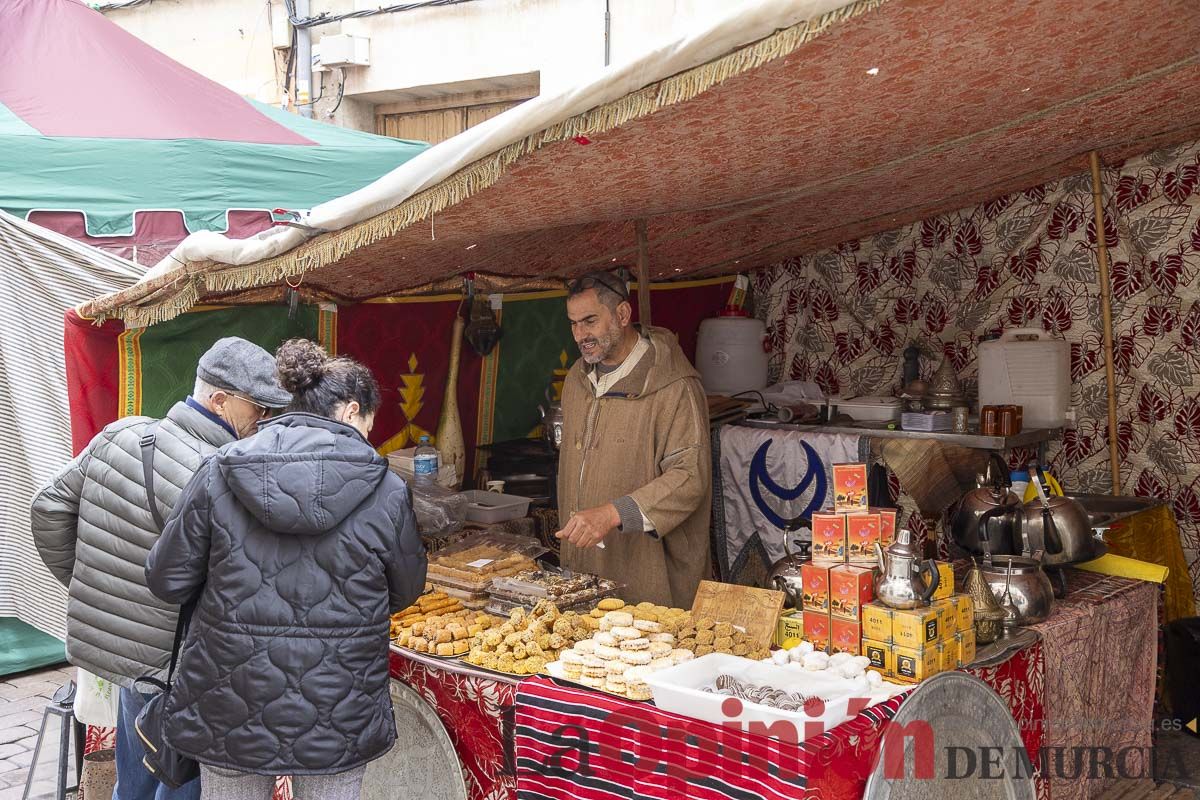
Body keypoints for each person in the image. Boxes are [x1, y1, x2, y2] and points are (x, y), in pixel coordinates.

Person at [145, 339, 427, 800]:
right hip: (338, 704)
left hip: (230, 698)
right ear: (350, 412)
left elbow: (167, 579)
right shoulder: (386, 489)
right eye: (370, 424)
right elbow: (406, 590)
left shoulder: (219, 469)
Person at [30, 337, 291, 800]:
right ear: (219, 400)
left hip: (130, 658)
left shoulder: (120, 432)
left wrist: (89, 587)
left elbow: (48, 508)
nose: (263, 421)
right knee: (175, 786)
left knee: (133, 784)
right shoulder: (222, 472)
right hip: (183, 666)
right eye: (258, 408)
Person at [555, 271, 712, 608]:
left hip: (651, 577)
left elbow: (689, 477)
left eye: (590, 321)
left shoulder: (674, 387)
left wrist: (613, 513)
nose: (580, 335)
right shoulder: (576, 380)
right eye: (573, 324)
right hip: (584, 573)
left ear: (623, 315)